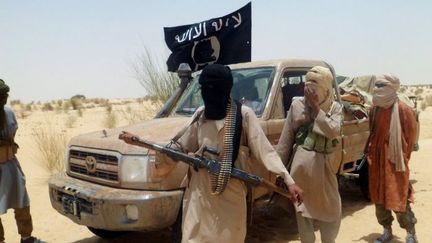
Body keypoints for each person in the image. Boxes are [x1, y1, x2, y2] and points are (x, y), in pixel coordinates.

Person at [120, 64, 303, 243]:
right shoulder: (201, 114)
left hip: (231, 194)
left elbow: (266, 152)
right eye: (205, 89)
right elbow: (180, 146)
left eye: (213, 89)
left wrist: (289, 180)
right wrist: (149, 146)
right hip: (199, 194)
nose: (208, 94)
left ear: (225, 90)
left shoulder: (243, 115)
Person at [277, 66, 343, 243]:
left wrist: (315, 107)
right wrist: (280, 171)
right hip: (300, 171)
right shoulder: (297, 104)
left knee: (331, 212)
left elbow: (333, 131)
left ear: (327, 91)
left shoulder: (335, 108)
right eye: (308, 88)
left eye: (314, 89)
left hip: (325, 172)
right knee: (303, 215)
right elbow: (286, 139)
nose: (309, 92)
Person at [367, 74, 418, 243]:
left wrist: (401, 157)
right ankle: (386, 230)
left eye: (381, 86)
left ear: (391, 88)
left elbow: (410, 139)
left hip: (395, 161)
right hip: (376, 161)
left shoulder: (403, 110)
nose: (377, 89)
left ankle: (410, 233)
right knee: (379, 199)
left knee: (398, 197)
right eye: (377, 85)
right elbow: (372, 133)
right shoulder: (374, 109)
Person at [0, 79, 43, 243]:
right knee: (19, 202)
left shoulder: (8, 113)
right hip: (8, 165)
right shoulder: (8, 112)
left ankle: (26, 238)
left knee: (22, 202)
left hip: (10, 164)